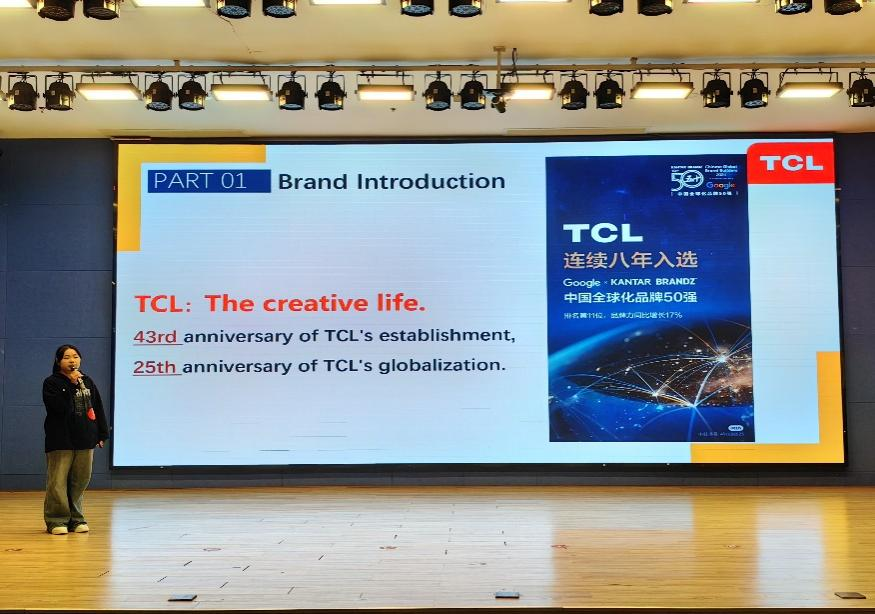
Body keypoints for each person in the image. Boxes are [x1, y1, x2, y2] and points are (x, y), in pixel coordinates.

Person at [42, 344, 109, 535]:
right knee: (58, 482)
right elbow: (58, 408)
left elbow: (97, 407)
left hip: (85, 438)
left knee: (80, 480)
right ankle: (57, 520)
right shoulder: (52, 383)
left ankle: (76, 518)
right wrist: (70, 385)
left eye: (76, 357)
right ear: (58, 361)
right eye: (67, 357)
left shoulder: (87, 381)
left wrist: (102, 433)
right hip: (60, 439)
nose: (72, 361)